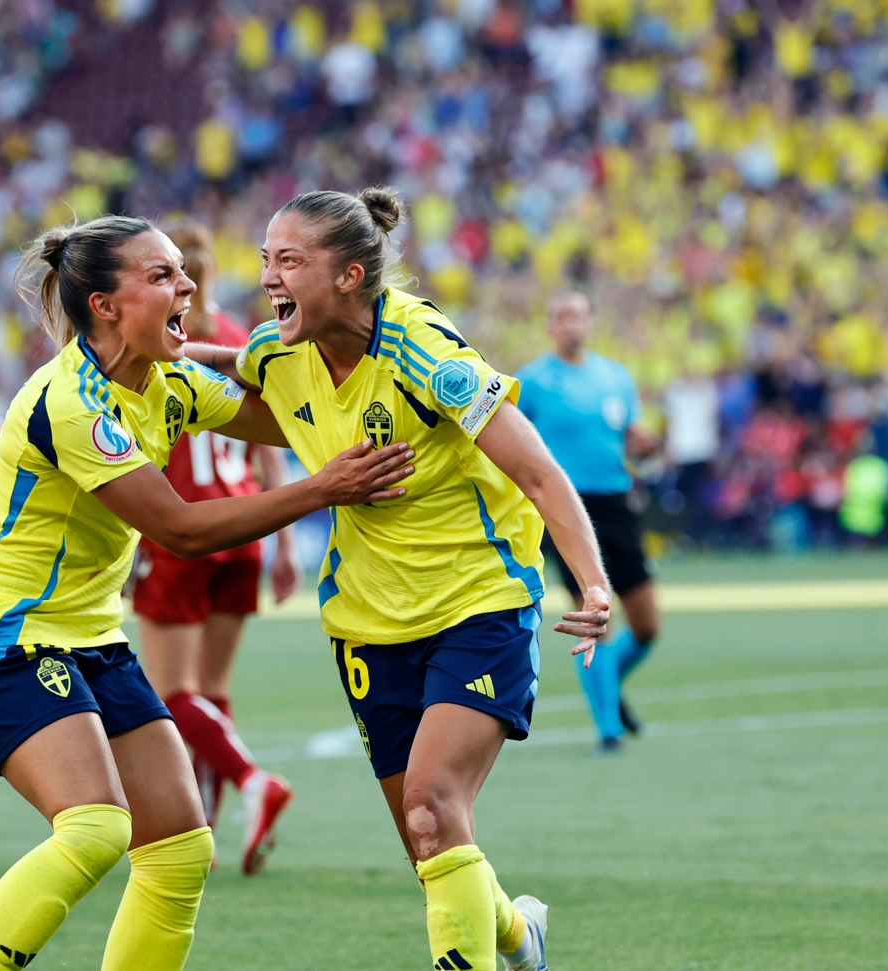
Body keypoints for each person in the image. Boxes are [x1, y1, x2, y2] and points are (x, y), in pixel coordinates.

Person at [0, 215, 416, 971]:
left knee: (182, 848)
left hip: (90, 639)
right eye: (162, 276)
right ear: (105, 306)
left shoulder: (168, 379)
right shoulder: (73, 402)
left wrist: (358, 362)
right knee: (94, 828)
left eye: (181, 272)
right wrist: (325, 489)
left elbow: (297, 423)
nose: (188, 282)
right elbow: (181, 529)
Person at [188, 187, 612, 971]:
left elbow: (542, 474)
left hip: (477, 601)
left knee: (431, 806)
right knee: (432, 846)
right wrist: (149, 364)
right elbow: (243, 384)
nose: (270, 277)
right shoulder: (281, 350)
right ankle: (522, 937)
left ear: (351, 274)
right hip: (368, 619)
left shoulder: (427, 355)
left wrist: (590, 583)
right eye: (265, 260)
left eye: (290, 261)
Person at [130, 218, 301, 875]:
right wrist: (284, 544)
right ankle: (203, 816)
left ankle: (252, 782)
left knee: (170, 691)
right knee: (212, 689)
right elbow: (267, 438)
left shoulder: (160, 342)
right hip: (245, 523)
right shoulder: (240, 340)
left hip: (184, 527)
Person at [517, 292, 662, 752]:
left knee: (647, 625)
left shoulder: (615, 378)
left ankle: (608, 688)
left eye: (577, 315)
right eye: (561, 316)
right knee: (596, 612)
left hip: (616, 503)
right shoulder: (533, 382)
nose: (570, 323)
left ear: (591, 321)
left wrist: (643, 445)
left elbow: (630, 437)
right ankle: (609, 731)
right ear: (549, 326)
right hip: (566, 507)